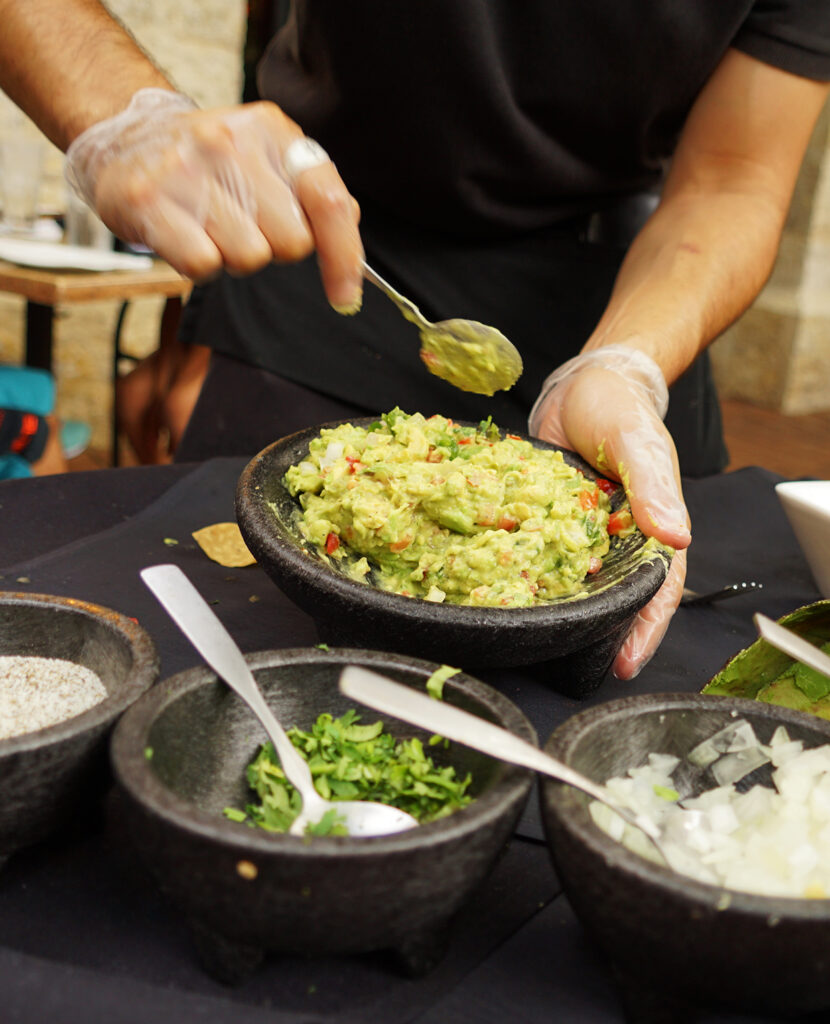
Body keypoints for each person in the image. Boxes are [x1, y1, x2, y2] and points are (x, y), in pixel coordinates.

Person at [1, 1, 828, 679]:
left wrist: (628, 362)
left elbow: (735, 177)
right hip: (329, 245)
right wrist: (120, 110)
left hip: (623, 281)